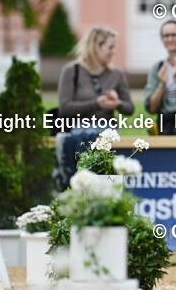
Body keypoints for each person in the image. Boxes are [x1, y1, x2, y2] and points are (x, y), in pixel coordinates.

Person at [56, 25, 134, 187]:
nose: (114, 52)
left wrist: (117, 102)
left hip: (107, 132)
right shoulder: (72, 72)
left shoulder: (116, 74)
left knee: (104, 181)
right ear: (95, 47)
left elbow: (129, 109)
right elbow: (65, 108)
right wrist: (97, 103)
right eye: (110, 47)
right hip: (79, 132)